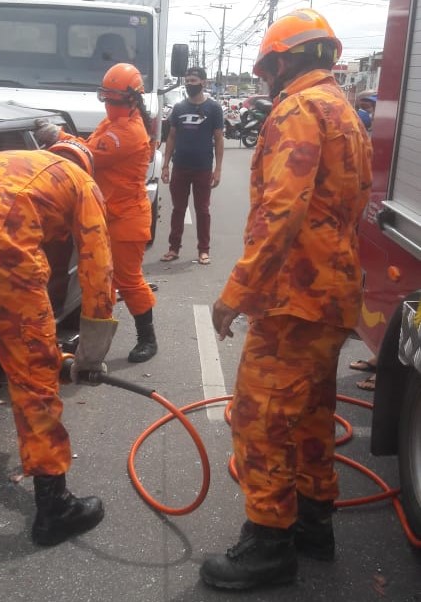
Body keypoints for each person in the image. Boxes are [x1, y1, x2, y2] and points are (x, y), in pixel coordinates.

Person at [202, 8, 373, 590]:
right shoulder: (344, 111)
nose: (265, 80)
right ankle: (312, 525)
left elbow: (283, 211)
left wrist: (235, 294)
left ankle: (269, 544)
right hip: (333, 293)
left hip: (294, 298)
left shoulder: (298, 110)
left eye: (267, 68)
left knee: (261, 419)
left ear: (281, 61)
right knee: (313, 414)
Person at [0, 140, 118, 547]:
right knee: (34, 368)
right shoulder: (82, 182)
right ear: (85, 165)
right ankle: (54, 506)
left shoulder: (10, 162)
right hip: (1, 237)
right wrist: (92, 353)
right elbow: (97, 266)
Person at [34, 63, 158, 363]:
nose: (108, 103)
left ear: (130, 99)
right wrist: (63, 137)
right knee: (101, 281)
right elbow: (90, 145)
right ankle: (90, 344)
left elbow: (88, 155)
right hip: (106, 214)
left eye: (113, 98)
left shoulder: (127, 132)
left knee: (128, 280)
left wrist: (59, 136)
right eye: (105, 97)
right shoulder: (114, 123)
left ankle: (148, 339)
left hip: (126, 218)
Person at [159, 66, 224, 265]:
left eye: (193, 81)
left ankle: (203, 250)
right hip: (180, 167)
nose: (189, 85)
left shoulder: (214, 108)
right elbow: (171, 136)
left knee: (202, 210)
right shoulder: (179, 108)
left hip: (203, 168)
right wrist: (166, 165)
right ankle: (173, 248)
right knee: (178, 209)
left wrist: (218, 169)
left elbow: (219, 139)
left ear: (203, 83)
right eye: (187, 81)